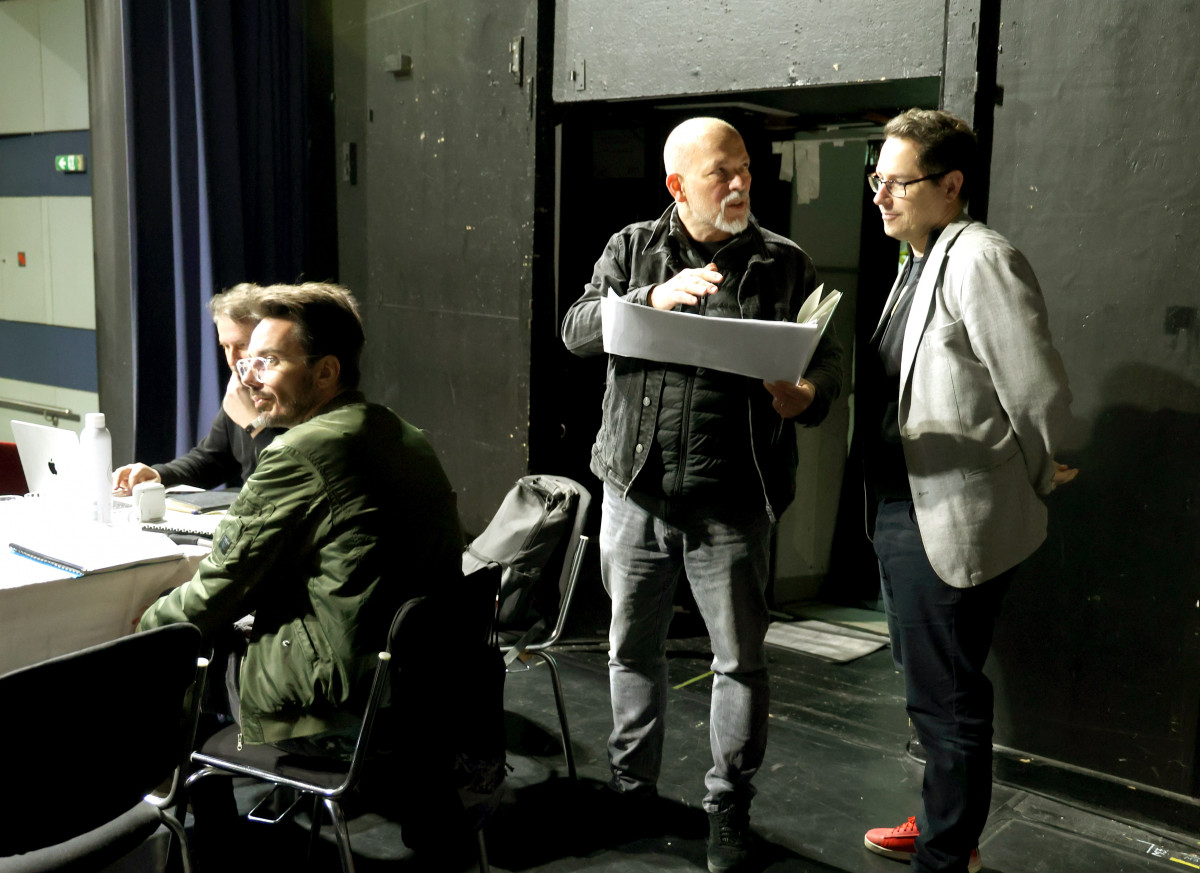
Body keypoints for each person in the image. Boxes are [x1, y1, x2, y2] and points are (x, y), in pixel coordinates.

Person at [561, 116, 843, 873]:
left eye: (745, 167)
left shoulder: (784, 262)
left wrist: (808, 395)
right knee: (631, 648)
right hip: (635, 491)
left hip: (733, 500)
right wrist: (650, 297)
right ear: (678, 186)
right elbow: (577, 329)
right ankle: (632, 790)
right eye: (722, 173)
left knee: (739, 662)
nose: (741, 183)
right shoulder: (632, 247)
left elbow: (829, 361)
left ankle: (727, 806)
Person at [860, 109, 1076, 873]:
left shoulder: (980, 257)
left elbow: (1036, 386)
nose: (881, 195)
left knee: (947, 697)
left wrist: (1046, 466)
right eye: (877, 178)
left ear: (950, 185)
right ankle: (942, 822)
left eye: (898, 182)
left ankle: (947, 854)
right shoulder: (918, 258)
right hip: (903, 506)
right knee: (931, 685)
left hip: (946, 515)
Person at [137, 282, 464, 746]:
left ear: (326, 371)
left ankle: (179, 787)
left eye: (268, 362)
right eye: (247, 362)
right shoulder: (398, 430)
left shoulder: (301, 451)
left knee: (160, 643)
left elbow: (221, 587)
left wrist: (139, 629)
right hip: (418, 688)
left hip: (334, 710)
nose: (249, 379)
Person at [111, 283, 282, 496]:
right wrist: (158, 475)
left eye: (242, 345)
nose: (232, 360)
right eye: (225, 347)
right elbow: (212, 460)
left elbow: (294, 471)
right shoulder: (241, 389)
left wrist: (253, 423)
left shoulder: (291, 394)